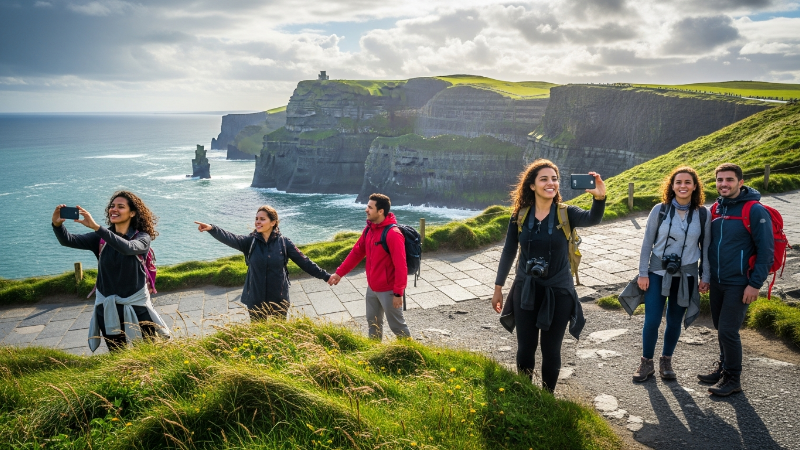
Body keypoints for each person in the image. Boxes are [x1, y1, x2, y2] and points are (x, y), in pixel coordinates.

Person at [492, 159, 606, 393]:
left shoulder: (567, 213)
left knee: (551, 349)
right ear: (532, 185)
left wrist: (599, 198)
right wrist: (498, 287)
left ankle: (547, 398)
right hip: (526, 289)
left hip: (559, 291)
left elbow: (593, 218)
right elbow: (509, 251)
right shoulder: (519, 216)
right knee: (526, 347)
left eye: (554, 179)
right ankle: (525, 394)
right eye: (544, 179)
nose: (550, 183)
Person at [52, 191, 170, 352]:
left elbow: (128, 248)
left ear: (132, 213)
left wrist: (96, 228)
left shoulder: (142, 237)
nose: (114, 209)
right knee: (116, 353)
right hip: (107, 307)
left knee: (149, 351)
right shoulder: (100, 238)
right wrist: (57, 225)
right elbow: (68, 240)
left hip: (137, 306)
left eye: (121, 206)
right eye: (112, 206)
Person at [699, 163, 773, 396]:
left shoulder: (755, 210)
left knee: (728, 331)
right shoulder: (716, 208)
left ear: (740, 182)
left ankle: (733, 379)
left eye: (729, 180)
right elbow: (708, 246)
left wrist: (755, 284)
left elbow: (766, 251)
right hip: (717, 281)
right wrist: (705, 276)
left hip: (740, 282)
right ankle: (723, 368)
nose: (724, 184)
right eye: (720, 180)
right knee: (720, 327)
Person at [632, 166, 711, 382]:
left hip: (686, 276)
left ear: (694, 186)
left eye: (687, 182)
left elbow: (706, 248)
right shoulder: (660, 210)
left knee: (674, 321)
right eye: (678, 182)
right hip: (657, 273)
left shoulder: (703, 214)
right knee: (652, 320)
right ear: (672, 186)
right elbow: (647, 243)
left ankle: (666, 361)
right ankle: (646, 362)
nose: (683, 186)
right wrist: (643, 273)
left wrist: (705, 277)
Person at [195, 205, 331, 318]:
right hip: (255, 298)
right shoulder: (250, 242)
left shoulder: (284, 243)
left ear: (273, 222)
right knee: (259, 335)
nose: (257, 222)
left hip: (279, 298)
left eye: (262, 219)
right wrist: (212, 228)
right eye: (256, 219)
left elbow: (305, 262)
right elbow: (230, 238)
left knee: (279, 333)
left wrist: (326, 276)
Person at [328, 193, 411, 340]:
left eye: (370, 207)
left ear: (381, 211)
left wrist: (398, 293)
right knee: (373, 323)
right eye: (367, 206)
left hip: (389, 290)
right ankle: (373, 350)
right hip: (372, 287)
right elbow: (356, 253)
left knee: (398, 327)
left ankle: (412, 352)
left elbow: (401, 266)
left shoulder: (393, 234)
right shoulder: (369, 230)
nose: (366, 210)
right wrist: (339, 273)